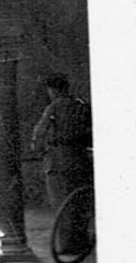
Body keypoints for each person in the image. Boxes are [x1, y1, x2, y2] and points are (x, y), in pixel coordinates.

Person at [31, 73, 92, 209]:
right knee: (80, 204)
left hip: (57, 163)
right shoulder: (80, 105)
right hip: (80, 159)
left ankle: (65, 230)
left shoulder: (53, 108)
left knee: (60, 204)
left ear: (53, 90)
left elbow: (40, 133)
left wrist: (40, 150)